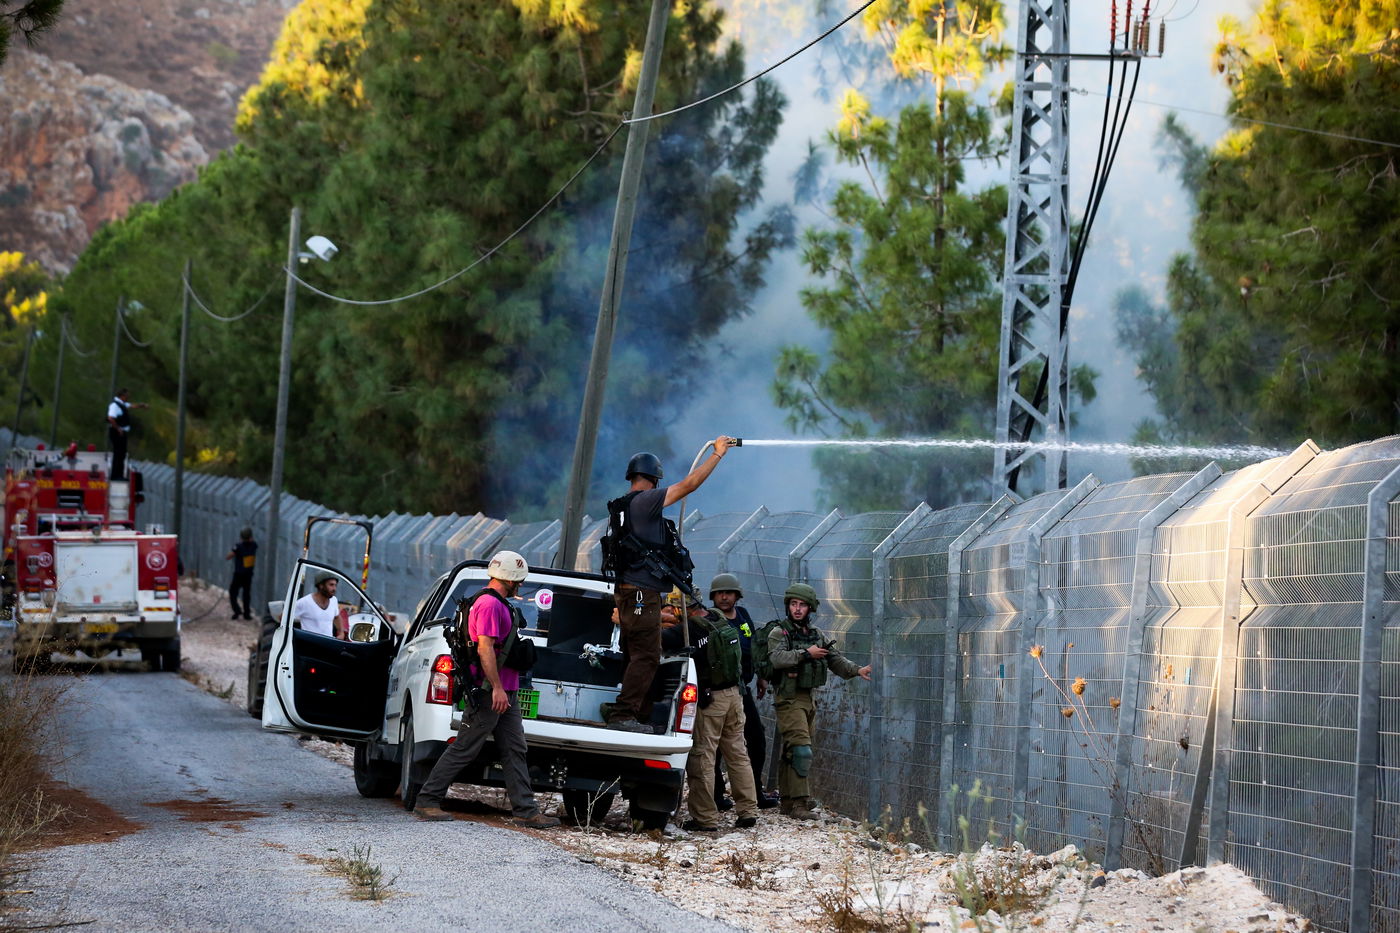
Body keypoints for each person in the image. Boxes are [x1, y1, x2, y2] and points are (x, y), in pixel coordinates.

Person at [414, 550, 560, 828]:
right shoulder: (490, 605)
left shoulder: (494, 603)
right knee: (465, 749)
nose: (521, 585)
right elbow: (485, 648)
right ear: (512, 579)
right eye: (519, 580)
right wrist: (495, 688)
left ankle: (526, 811)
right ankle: (427, 800)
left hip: (505, 690)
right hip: (491, 692)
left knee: (515, 748)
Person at [603, 436, 735, 733]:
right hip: (641, 593)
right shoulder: (646, 501)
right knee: (647, 655)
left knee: (635, 653)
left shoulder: (621, 506)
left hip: (626, 592)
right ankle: (623, 716)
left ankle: (636, 714)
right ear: (653, 479)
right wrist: (717, 455)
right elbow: (688, 485)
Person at [765, 583, 872, 820]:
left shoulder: (815, 635)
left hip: (808, 698)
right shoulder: (779, 633)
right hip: (788, 698)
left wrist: (857, 670)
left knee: (793, 751)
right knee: (801, 750)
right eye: (793, 604)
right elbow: (777, 658)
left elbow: (834, 659)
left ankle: (788, 801)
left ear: (810, 608)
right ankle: (800, 804)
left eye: (802, 605)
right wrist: (806, 654)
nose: (797, 609)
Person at [661, 593, 758, 833]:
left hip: (712, 700)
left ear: (680, 608)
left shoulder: (688, 630)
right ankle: (748, 811)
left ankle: (706, 818)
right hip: (735, 696)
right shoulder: (718, 618)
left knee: (703, 757)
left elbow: (657, 639)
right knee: (738, 754)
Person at [708, 573, 780, 810]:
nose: (725, 597)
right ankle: (716, 796)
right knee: (715, 746)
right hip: (716, 691)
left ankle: (755, 793)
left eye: (729, 592)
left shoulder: (743, 617)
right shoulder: (709, 620)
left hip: (742, 688)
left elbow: (753, 648)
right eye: (720, 593)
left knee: (756, 739)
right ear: (713, 596)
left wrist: (761, 675)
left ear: (737, 596)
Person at [105, 388, 147, 481]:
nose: (128, 398)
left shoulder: (121, 404)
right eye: (127, 396)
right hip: (117, 432)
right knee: (118, 454)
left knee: (122, 453)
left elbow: (132, 406)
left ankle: (118, 474)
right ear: (122, 396)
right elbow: (111, 418)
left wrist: (141, 405)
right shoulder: (115, 405)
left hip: (121, 432)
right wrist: (118, 428)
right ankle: (116, 475)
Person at [293, 571, 343, 639]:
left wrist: (341, 633)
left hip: (328, 645)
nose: (334, 589)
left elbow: (336, 617)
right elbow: (284, 618)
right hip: (309, 646)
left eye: (335, 585)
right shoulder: (305, 602)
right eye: (331, 585)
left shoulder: (334, 600)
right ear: (321, 585)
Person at [225, 527, 257, 621]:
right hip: (248, 574)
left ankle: (237, 611)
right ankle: (247, 614)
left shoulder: (238, 546)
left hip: (239, 574)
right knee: (246, 594)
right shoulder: (254, 545)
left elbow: (228, 556)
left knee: (233, 593)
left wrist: (235, 550)